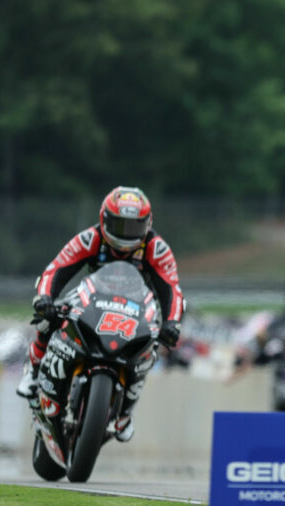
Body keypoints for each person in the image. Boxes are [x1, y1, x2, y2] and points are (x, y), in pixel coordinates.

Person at [15, 186, 185, 443]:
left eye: (133, 227)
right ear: (104, 219)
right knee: (48, 317)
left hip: (137, 310)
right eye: (118, 225)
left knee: (149, 349)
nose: (125, 235)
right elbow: (57, 267)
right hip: (92, 299)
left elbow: (172, 288)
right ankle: (34, 371)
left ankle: (125, 412)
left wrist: (172, 323)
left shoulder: (156, 248)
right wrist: (45, 298)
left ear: (147, 225)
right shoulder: (90, 238)